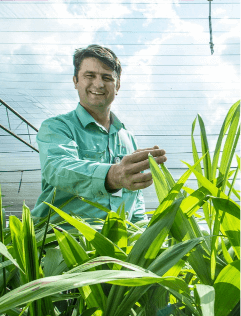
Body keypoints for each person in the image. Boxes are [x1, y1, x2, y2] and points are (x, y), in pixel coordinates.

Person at [32, 45, 167, 224]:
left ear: (117, 85)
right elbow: (57, 168)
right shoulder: (57, 127)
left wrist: (144, 235)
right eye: (90, 76)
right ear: (75, 81)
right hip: (62, 239)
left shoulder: (127, 138)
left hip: (116, 243)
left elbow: (135, 200)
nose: (99, 84)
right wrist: (112, 176)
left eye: (107, 77)